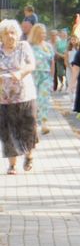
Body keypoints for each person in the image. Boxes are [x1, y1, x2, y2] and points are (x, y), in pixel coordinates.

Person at [0, 19, 37, 174]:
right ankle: (12, 164)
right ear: (1, 37)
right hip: (4, 98)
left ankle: (29, 155)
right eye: (6, 34)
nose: (10, 36)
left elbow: (31, 65)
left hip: (25, 96)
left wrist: (21, 73)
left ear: (17, 34)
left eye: (13, 33)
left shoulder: (24, 46)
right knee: (7, 130)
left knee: (27, 128)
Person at [27, 24, 54, 136]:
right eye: (41, 33)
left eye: (44, 33)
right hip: (33, 76)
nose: (43, 35)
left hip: (45, 75)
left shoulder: (48, 46)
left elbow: (52, 62)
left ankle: (44, 123)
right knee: (34, 100)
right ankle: (33, 123)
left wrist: (52, 77)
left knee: (44, 99)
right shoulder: (29, 46)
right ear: (36, 34)